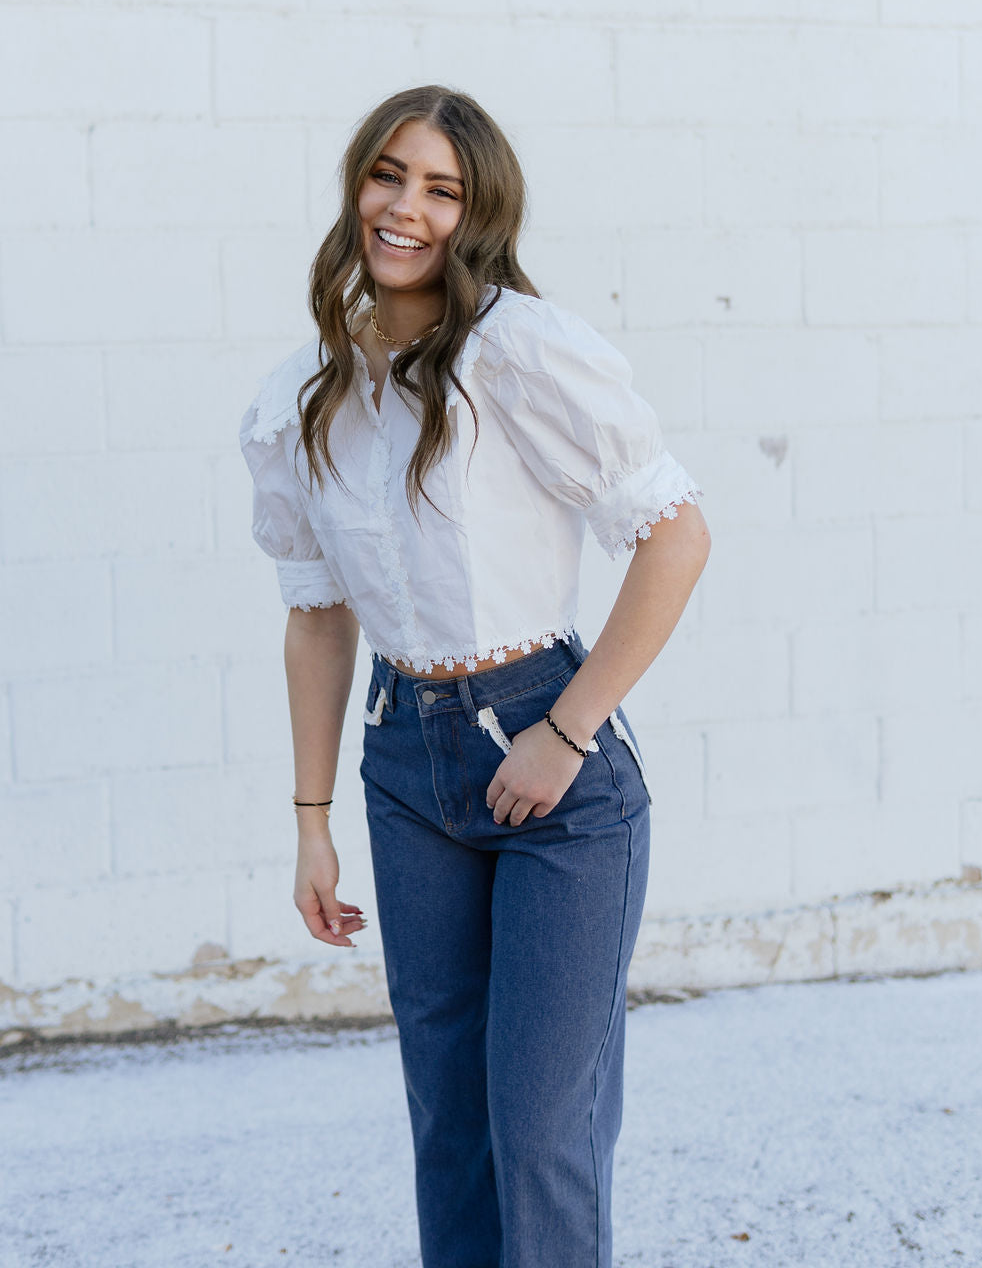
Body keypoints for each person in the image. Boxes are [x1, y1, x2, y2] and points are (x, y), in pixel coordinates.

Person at [240, 85, 711, 1268]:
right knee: (448, 1122)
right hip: (405, 765)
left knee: (541, 1126)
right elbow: (316, 620)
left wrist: (566, 729)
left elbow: (675, 535)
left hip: (548, 760)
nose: (405, 208)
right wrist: (310, 822)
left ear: (478, 213)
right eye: (388, 175)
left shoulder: (516, 351)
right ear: (357, 183)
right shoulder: (307, 393)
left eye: (441, 190)